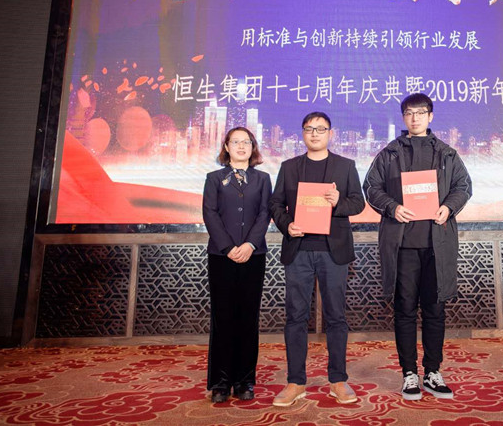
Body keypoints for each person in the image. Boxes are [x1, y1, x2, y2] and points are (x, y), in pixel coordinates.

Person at [363, 93, 472, 401]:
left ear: (430, 116)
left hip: (437, 245)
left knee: (435, 310)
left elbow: (463, 186)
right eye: (409, 113)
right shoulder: (390, 153)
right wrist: (392, 207)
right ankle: (409, 373)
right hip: (403, 247)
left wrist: (448, 207)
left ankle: (433, 371)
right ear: (404, 118)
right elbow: (371, 187)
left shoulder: (447, 153)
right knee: (405, 310)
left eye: (421, 112)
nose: (415, 118)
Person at [269, 111, 366, 407]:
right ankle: (295, 382)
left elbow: (358, 203)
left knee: (336, 316)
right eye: (309, 129)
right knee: (296, 316)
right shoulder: (289, 167)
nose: (314, 133)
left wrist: (338, 202)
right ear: (302, 133)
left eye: (320, 129)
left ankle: (338, 380)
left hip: (333, 251)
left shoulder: (345, 166)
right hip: (299, 249)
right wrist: (287, 225)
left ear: (330, 134)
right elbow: (275, 204)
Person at [202, 127, 272, 404]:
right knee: (223, 318)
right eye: (236, 142)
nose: (241, 146)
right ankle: (220, 382)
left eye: (246, 142)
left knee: (248, 318)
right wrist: (229, 248)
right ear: (226, 147)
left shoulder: (263, 179)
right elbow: (210, 213)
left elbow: (264, 213)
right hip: (222, 257)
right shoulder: (214, 178)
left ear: (253, 147)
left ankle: (244, 380)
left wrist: (250, 244)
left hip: (253, 256)